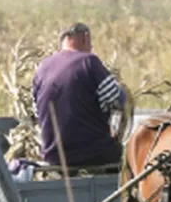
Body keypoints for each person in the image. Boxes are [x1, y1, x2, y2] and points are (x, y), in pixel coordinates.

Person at [32, 22, 126, 170]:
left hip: (53, 157)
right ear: (85, 38)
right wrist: (123, 92)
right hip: (94, 155)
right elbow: (116, 100)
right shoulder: (89, 61)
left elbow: (37, 113)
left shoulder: (43, 67)